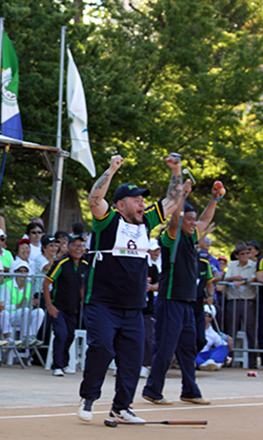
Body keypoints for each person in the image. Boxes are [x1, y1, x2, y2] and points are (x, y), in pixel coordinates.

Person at [77, 153, 183, 424]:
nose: (142, 203)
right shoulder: (108, 220)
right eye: (137, 200)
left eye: (143, 200)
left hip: (134, 306)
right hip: (102, 302)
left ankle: (121, 407)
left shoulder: (145, 220)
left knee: (133, 360)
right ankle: (89, 397)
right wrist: (111, 169)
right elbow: (94, 200)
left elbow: (172, 201)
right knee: (101, 347)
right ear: (121, 204)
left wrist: (176, 170)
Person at [142, 179, 220, 406]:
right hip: (170, 300)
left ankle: (190, 390)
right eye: (189, 219)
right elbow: (174, 220)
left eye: (194, 220)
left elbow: (206, 219)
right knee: (166, 347)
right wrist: (182, 196)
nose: (194, 223)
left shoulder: (192, 236)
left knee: (188, 348)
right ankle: (153, 390)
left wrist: (215, 198)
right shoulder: (171, 238)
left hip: (187, 302)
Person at [43, 235, 88, 376]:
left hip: (73, 308)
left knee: (69, 336)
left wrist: (84, 303)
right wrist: (50, 306)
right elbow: (46, 283)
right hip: (58, 307)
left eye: (80, 246)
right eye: (74, 245)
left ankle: (65, 362)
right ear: (68, 247)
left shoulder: (85, 265)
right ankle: (57, 365)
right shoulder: (61, 263)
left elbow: (82, 285)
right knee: (61, 334)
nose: (78, 249)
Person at [223, 241, 257, 369]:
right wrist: (233, 278)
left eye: (247, 253)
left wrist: (243, 282)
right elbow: (225, 278)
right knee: (231, 330)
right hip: (234, 300)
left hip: (248, 301)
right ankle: (229, 360)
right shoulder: (232, 265)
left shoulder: (253, 265)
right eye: (242, 253)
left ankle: (253, 362)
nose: (245, 255)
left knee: (250, 331)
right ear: (237, 255)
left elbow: (255, 278)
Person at [141, 239, 160, 378]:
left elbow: (160, 283)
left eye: (157, 250)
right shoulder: (138, 264)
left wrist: (151, 287)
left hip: (148, 308)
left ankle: (145, 365)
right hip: (133, 307)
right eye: (153, 250)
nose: (156, 253)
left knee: (148, 337)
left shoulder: (153, 268)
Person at [197, 305, 233, 371]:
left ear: (211, 318)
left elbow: (224, 347)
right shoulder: (192, 327)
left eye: (205, 315)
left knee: (223, 348)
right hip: (195, 354)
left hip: (205, 354)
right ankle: (210, 365)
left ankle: (211, 362)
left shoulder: (213, 333)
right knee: (191, 355)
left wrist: (230, 342)